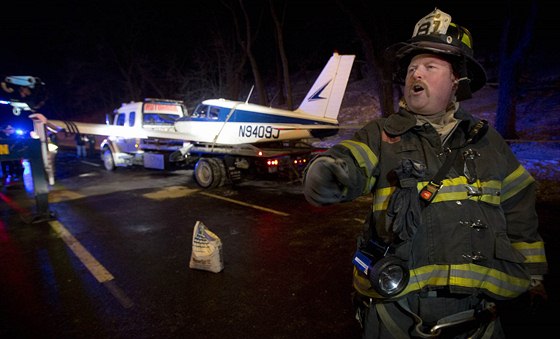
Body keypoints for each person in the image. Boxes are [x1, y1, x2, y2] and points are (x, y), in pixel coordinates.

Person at [303, 8, 548, 339]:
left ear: (455, 82)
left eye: (430, 67)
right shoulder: (381, 135)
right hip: (398, 317)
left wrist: (533, 278)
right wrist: (328, 174)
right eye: (412, 69)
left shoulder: (488, 142)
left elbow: (520, 210)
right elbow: (349, 161)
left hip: (481, 318)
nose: (416, 74)